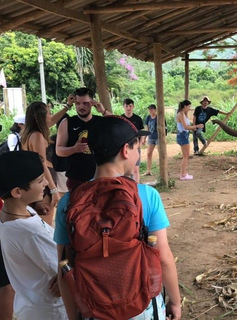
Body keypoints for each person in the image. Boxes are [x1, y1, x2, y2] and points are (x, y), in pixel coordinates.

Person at [54, 116, 182, 320]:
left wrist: (74, 317)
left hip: (93, 310)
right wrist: (175, 302)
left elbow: (64, 268)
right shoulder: (146, 196)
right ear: (125, 150)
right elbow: (163, 257)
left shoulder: (68, 203)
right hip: (142, 309)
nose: (138, 153)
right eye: (136, 147)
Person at [0, 151, 67, 319]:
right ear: (17, 192)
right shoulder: (30, 233)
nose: (46, 182)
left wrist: (33, 205)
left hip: (30, 306)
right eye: (39, 180)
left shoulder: (10, 214)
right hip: (52, 311)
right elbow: (65, 272)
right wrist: (66, 271)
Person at [56, 88, 111, 192]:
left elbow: (122, 125)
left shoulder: (101, 122)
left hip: (101, 176)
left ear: (92, 103)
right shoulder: (67, 123)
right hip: (76, 179)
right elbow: (59, 150)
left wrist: (103, 111)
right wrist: (74, 149)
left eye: (85, 103)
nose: (81, 107)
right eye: (78, 103)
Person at [21, 102, 60, 225]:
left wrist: (67, 106)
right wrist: (54, 190)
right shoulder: (37, 136)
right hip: (44, 185)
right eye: (49, 113)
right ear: (40, 117)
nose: (51, 116)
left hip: (36, 183)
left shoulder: (27, 134)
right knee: (45, 227)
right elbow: (42, 164)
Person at [176, 100, 203, 180]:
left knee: (186, 156)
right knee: (185, 156)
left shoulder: (182, 114)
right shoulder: (181, 114)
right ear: (185, 106)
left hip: (183, 135)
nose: (189, 108)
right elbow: (186, 127)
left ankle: (184, 173)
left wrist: (194, 127)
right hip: (183, 135)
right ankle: (183, 174)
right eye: (189, 106)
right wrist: (197, 126)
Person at [121, 98, 145, 183]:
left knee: (135, 169)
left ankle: (136, 187)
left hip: (136, 147)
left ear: (133, 107)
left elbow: (142, 132)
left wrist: (140, 143)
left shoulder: (138, 119)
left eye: (130, 106)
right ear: (123, 107)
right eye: (126, 106)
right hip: (124, 148)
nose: (128, 108)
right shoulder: (121, 118)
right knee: (125, 170)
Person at [144, 104, 158, 176]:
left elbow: (164, 128)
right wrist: (144, 138)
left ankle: (164, 170)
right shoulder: (148, 118)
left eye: (152, 109)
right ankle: (148, 170)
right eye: (149, 109)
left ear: (155, 110)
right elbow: (147, 129)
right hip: (151, 137)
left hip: (158, 137)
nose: (150, 110)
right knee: (149, 154)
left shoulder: (159, 117)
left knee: (161, 154)